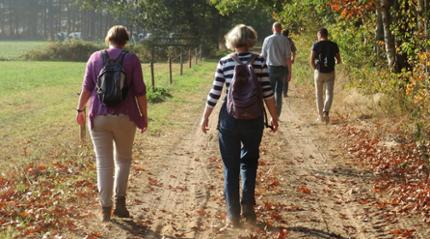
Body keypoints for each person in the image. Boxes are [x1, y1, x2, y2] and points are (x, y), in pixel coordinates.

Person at [200, 24, 279, 227]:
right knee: (250, 162)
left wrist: (206, 116)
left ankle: (232, 215)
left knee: (230, 167)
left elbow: (215, 92)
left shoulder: (225, 62)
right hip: (253, 119)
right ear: (251, 39)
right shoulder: (260, 61)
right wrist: (274, 117)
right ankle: (248, 209)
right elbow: (268, 92)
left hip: (230, 120)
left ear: (232, 41)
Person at [75, 25, 148, 222]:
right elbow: (140, 91)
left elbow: (87, 88)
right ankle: (121, 204)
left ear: (108, 39)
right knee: (123, 160)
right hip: (126, 117)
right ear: (126, 40)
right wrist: (143, 116)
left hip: (98, 116)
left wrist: (79, 110)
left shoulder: (95, 58)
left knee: (104, 164)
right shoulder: (132, 59)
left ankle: (105, 209)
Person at [309, 27, 341, 124]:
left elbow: (311, 59)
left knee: (319, 94)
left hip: (319, 71)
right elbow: (339, 60)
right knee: (329, 93)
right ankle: (326, 111)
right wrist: (335, 62)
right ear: (327, 35)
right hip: (330, 72)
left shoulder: (316, 44)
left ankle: (320, 117)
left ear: (319, 35)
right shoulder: (333, 45)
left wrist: (315, 68)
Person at [261, 22, 291, 117]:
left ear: (272, 29)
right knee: (279, 92)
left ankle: (270, 113)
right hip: (282, 69)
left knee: (270, 92)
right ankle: (277, 114)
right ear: (281, 29)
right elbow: (288, 57)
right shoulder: (285, 40)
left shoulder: (267, 39)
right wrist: (290, 72)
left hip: (271, 69)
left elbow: (263, 56)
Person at [282, 29, 297, 97]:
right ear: (288, 34)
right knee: (286, 77)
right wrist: (293, 58)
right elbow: (294, 51)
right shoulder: (290, 41)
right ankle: (285, 93)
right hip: (287, 61)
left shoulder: (279, 40)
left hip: (278, 61)